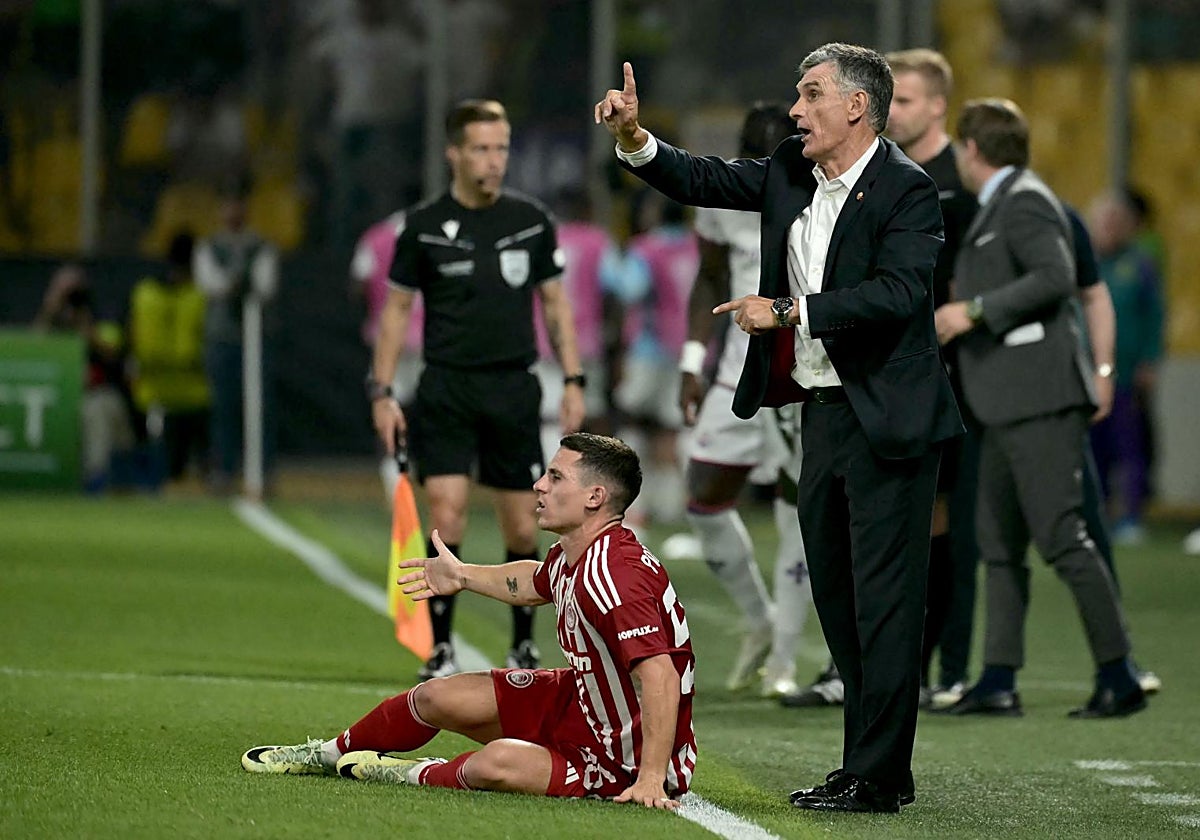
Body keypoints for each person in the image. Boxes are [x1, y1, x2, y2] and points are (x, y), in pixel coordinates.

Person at [596, 43, 962, 813]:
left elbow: (899, 293)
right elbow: (701, 178)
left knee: (885, 603)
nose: (795, 111)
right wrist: (636, 138)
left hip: (889, 422)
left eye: (811, 95)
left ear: (857, 106)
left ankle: (878, 774)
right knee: (836, 595)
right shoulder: (794, 170)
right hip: (820, 417)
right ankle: (866, 767)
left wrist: (790, 312)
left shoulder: (909, 190)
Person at [242, 433, 696, 807]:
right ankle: (325, 754)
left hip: (624, 755)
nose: (539, 485)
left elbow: (660, 674)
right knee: (440, 696)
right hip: (581, 702)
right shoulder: (579, 552)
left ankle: (412, 773)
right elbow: (536, 581)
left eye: (556, 477)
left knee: (494, 764)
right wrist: (462, 575)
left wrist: (652, 777)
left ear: (595, 497)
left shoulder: (615, 574)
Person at [933, 98, 1146, 721]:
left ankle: (1120, 673)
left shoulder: (1024, 201)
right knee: (997, 541)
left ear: (972, 150)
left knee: (1061, 537)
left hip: (1039, 400)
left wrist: (970, 310)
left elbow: (1055, 277)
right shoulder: (1012, 198)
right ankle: (998, 678)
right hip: (1004, 401)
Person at [369, 99, 586, 681]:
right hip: (445, 388)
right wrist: (382, 391)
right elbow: (395, 312)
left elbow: (556, 304)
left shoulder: (531, 221)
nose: (495, 161)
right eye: (482, 149)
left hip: (513, 388)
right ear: (454, 154)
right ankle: (440, 647)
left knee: (522, 525)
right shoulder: (421, 226)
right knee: (448, 514)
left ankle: (523, 645)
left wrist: (572, 379)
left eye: (502, 148)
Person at [677, 102, 810, 696]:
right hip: (734, 374)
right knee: (703, 494)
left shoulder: (819, 195)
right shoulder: (722, 202)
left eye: (771, 147)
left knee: (793, 512)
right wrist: (690, 360)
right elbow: (709, 277)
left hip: (798, 379)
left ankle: (783, 658)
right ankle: (758, 622)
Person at [883, 48, 981, 710]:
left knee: (954, 524)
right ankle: (898, 669)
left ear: (939, 105)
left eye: (908, 101)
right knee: (897, 523)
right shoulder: (883, 171)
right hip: (892, 368)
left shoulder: (962, 179)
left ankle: (946, 666)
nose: (894, 114)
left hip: (960, 375)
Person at [609, 195, 698, 526]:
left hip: (649, 348)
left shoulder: (648, 248)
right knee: (671, 429)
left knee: (632, 420)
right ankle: (672, 506)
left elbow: (630, 288)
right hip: (686, 348)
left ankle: (633, 504)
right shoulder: (695, 247)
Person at [1087, 190, 1165, 545]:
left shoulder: (1140, 265)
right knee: (1093, 448)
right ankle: (1098, 513)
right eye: (1104, 222)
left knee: (1129, 447)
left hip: (1127, 375)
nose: (1110, 229)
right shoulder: (1083, 263)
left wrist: (1150, 359)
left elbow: (1155, 316)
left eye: (1116, 222)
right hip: (1086, 375)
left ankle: (1131, 517)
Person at [193, 179, 280, 493]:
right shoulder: (209, 247)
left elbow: (265, 287)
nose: (232, 211)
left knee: (260, 407)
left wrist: (236, 285)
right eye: (227, 205)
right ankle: (224, 469)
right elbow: (210, 284)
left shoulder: (261, 246)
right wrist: (237, 284)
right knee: (223, 405)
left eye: (237, 204)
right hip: (222, 339)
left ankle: (262, 470)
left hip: (255, 341)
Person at [33, 264, 136, 492]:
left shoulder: (102, 317)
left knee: (97, 411)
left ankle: (96, 480)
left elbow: (112, 349)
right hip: (56, 398)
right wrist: (51, 309)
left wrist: (85, 328)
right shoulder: (51, 324)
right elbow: (31, 352)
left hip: (96, 395)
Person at [350, 211, 427, 503]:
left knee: (388, 408)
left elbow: (358, 282)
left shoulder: (375, 237)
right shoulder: (435, 233)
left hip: (388, 338)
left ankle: (394, 483)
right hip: (429, 338)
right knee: (431, 412)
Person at [128, 232, 210, 483]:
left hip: (154, 397)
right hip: (193, 399)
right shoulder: (202, 297)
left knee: (162, 471)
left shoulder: (144, 294)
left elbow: (130, 339)